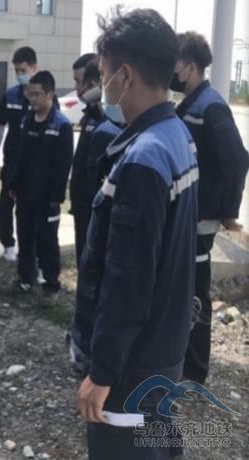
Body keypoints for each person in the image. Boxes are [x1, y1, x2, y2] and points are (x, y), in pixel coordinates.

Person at [71, 9, 198, 459]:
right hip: (162, 348)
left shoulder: (143, 158)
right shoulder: (176, 135)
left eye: (103, 73)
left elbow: (128, 280)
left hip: (132, 368)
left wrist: (102, 372)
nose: (100, 86)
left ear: (124, 75)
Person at [172, 31, 249, 384]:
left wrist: (228, 209)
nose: (171, 73)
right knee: (184, 291)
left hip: (201, 217)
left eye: (174, 65)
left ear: (189, 67)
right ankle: (182, 361)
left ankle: (195, 370)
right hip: (188, 213)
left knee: (196, 294)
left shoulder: (210, 106)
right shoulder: (190, 104)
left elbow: (237, 159)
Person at [7, 71, 73, 295]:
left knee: (47, 241)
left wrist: (56, 196)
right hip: (25, 193)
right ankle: (26, 278)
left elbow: (63, 165)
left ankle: (51, 285)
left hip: (47, 197)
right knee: (25, 237)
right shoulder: (26, 121)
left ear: (49, 95)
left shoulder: (61, 125)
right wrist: (13, 183)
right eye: (30, 94)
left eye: (37, 95)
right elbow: (19, 156)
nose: (32, 99)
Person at [70, 58, 122, 266]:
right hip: (81, 203)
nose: (77, 88)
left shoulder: (108, 121)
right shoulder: (90, 114)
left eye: (79, 82)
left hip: (93, 205)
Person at [0, 47, 38, 262]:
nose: (20, 74)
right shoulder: (11, 95)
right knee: (4, 204)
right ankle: (8, 244)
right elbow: (0, 125)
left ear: (34, 68)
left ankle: (29, 251)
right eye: (17, 71)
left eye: (23, 70)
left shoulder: (42, 96)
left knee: (28, 210)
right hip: (12, 162)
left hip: (33, 165)